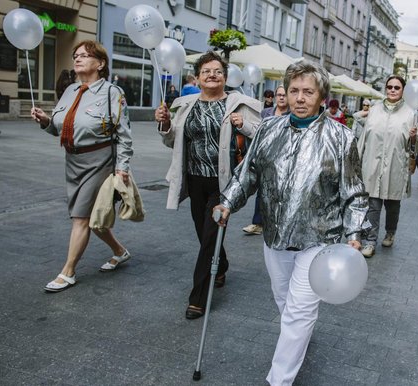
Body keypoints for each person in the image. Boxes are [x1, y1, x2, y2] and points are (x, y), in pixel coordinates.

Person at [213, 59, 368, 385]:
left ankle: (278, 380)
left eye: (307, 91)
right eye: (294, 90)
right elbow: (248, 174)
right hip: (277, 234)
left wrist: (354, 232)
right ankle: (297, 339)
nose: (299, 97)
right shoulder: (269, 129)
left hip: (320, 239)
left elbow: (353, 191)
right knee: (285, 300)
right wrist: (227, 202)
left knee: (299, 310)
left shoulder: (342, 138)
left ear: (321, 95)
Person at [155, 51, 262, 320]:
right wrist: (166, 123)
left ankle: (198, 298)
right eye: (206, 71)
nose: (212, 75)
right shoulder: (186, 105)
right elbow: (171, 141)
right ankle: (222, 264)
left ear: (225, 77)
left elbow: (261, 133)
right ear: (198, 77)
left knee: (209, 238)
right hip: (194, 180)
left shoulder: (238, 103)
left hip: (223, 182)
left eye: (217, 71)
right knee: (205, 234)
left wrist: (244, 124)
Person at [30, 40, 134, 292]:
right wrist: (45, 120)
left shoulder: (112, 93)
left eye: (85, 56)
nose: (77, 59)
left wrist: (122, 167)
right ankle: (119, 251)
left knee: (81, 217)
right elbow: (58, 128)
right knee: (92, 219)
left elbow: (124, 135)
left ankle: (68, 272)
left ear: (100, 64)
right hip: (73, 161)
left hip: (99, 161)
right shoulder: (70, 91)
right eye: (76, 55)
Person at [357, 75, 418, 258]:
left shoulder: (410, 114)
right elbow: (364, 138)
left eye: (396, 87)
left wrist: (414, 137)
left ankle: (391, 232)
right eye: (389, 86)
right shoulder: (374, 110)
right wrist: (357, 160)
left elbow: (414, 147)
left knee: (392, 204)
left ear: (403, 91)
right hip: (373, 164)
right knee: (373, 204)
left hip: (394, 165)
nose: (392, 90)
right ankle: (370, 241)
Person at [242, 85, 290, 236]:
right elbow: (257, 132)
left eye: (284, 95)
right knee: (262, 190)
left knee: (282, 192)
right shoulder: (266, 112)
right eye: (279, 95)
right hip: (265, 156)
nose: (281, 97)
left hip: (284, 158)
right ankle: (258, 223)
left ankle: (279, 223)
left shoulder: (291, 115)